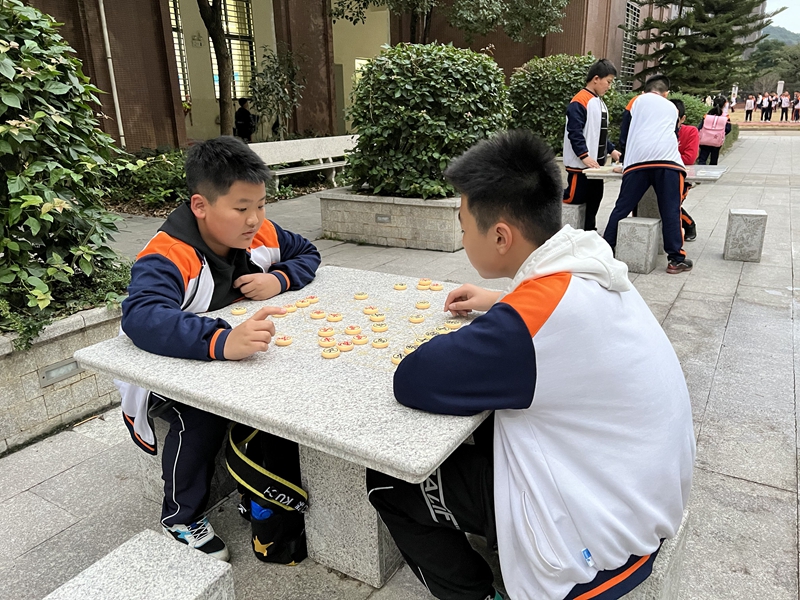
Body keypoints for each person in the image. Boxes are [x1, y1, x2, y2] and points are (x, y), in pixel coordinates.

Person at [366, 129, 695, 600]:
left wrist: (505, 317)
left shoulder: (527, 325)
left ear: (501, 236)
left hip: (596, 547)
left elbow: (415, 378)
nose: (463, 238)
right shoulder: (586, 266)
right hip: (640, 496)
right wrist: (502, 301)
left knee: (388, 481)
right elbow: (549, 326)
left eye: (464, 226)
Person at [117, 136, 321, 561]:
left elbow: (307, 251)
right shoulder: (167, 255)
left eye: (261, 205)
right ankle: (180, 516)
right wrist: (222, 340)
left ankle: (254, 485)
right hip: (168, 371)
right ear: (200, 206)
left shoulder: (261, 233)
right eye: (242, 208)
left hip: (230, 357)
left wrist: (279, 279)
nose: (255, 219)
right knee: (200, 416)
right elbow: (142, 317)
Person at [602, 74, 692, 274]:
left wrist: (625, 162)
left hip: (637, 163)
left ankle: (605, 250)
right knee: (671, 210)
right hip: (668, 163)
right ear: (666, 93)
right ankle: (676, 259)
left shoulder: (636, 101)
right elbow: (674, 134)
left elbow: (625, 133)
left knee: (622, 207)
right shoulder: (672, 108)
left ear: (645, 91)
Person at [561, 58, 622, 231]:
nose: (609, 86)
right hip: (580, 167)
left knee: (595, 199)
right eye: (608, 81)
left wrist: (612, 150)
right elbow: (575, 132)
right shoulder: (580, 101)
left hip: (595, 167)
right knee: (574, 198)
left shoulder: (599, 102)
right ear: (596, 79)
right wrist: (584, 156)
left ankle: (589, 230)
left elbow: (599, 133)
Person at [671, 99, 699, 241]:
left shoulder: (690, 131)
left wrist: (665, 157)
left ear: (682, 119)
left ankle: (689, 224)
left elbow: (689, 158)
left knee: (672, 205)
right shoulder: (658, 131)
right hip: (657, 174)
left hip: (681, 176)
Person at [697, 96, 731, 166]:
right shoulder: (725, 117)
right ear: (724, 104)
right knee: (714, 160)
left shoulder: (707, 115)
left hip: (704, 140)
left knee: (702, 159)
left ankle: (700, 171)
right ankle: (711, 171)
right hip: (717, 140)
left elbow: (700, 127)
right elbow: (728, 129)